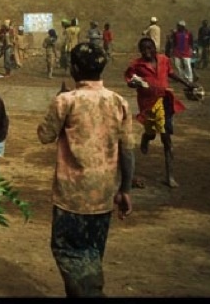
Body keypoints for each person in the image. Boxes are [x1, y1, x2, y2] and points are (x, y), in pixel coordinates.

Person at [37, 43, 135, 298]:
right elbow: (127, 151)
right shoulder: (119, 102)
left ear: (73, 68)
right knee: (92, 253)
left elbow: (45, 136)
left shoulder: (66, 101)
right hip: (103, 196)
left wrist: (58, 100)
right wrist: (124, 189)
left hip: (72, 195)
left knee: (68, 252)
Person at [123, 36, 196, 188]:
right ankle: (146, 137)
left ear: (155, 49)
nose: (146, 51)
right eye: (143, 49)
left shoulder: (163, 60)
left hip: (165, 102)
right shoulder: (137, 65)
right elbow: (129, 79)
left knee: (166, 138)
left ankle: (169, 175)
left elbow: (171, 73)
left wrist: (187, 83)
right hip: (148, 105)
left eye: (149, 48)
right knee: (151, 132)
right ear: (140, 51)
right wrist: (134, 84)